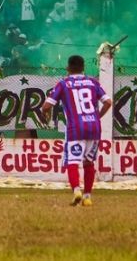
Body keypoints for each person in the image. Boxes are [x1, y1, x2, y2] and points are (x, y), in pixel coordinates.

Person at [41, 55, 112, 207]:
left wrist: (44, 113)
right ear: (83, 67)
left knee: (72, 161)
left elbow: (46, 107)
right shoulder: (93, 82)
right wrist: (96, 117)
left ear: (68, 68)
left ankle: (76, 190)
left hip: (75, 128)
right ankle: (87, 196)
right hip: (94, 127)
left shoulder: (64, 84)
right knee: (89, 162)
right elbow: (108, 102)